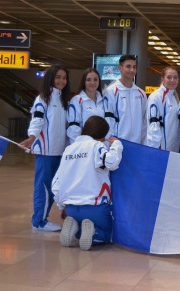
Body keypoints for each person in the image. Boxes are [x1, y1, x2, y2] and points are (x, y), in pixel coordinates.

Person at [52, 116, 123, 251]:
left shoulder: (69, 149)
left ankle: (75, 226)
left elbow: (56, 184)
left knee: (81, 226)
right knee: (108, 233)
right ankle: (95, 233)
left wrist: (62, 208)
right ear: (102, 136)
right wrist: (117, 145)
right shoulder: (97, 147)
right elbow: (112, 162)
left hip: (71, 208)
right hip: (95, 208)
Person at [19, 65, 70, 231]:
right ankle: (39, 221)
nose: (61, 81)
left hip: (61, 152)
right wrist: (32, 138)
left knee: (55, 188)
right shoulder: (42, 99)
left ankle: (44, 218)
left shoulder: (64, 100)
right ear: (50, 78)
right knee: (43, 187)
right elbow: (37, 120)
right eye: (58, 77)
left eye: (64, 78)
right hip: (46, 152)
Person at [103, 54, 147, 144]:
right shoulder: (111, 91)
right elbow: (108, 120)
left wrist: (144, 143)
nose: (132, 70)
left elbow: (144, 122)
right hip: (118, 143)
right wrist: (111, 141)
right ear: (120, 68)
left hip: (137, 144)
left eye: (134, 67)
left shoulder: (141, 93)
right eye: (128, 67)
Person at [146, 67, 180, 152]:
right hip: (161, 150)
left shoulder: (174, 97)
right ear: (162, 79)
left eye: (175, 77)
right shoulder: (156, 97)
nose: (172, 80)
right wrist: (155, 150)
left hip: (173, 148)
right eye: (169, 77)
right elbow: (153, 126)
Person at [67, 68, 104, 144]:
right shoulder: (77, 100)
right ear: (84, 82)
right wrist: (78, 146)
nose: (92, 82)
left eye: (95, 79)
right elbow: (73, 127)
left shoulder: (103, 100)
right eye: (88, 80)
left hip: (101, 145)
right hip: (84, 145)